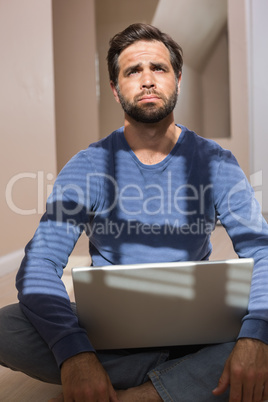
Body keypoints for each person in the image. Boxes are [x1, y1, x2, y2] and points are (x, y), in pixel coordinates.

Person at [1, 22, 268, 402]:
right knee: (6, 327)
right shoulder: (87, 165)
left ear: (178, 79)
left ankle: (141, 393)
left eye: (158, 69)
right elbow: (41, 263)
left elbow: (262, 252)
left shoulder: (217, 163)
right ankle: (186, 379)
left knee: (263, 325)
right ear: (115, 89)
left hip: (200, 325)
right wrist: (75, 352)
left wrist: (254, 335)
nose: (147, 80)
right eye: (132, 71)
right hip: (110, 332)